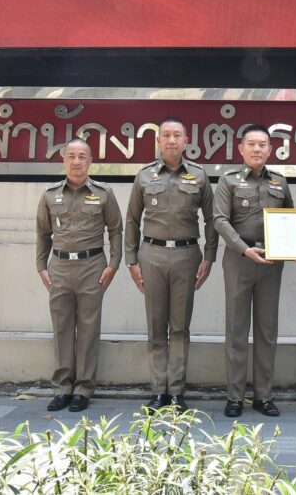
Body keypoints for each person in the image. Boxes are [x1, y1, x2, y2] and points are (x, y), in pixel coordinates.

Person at [125, 117, 218, 412]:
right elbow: (132, 220)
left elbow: (212, 220)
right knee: (156, 326)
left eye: (177, 135)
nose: (171, 140)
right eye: (166, 135)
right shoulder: (144, 176)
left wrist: (209, 257)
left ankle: (176, 391)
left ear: (186, 141)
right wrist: (131, 260)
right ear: (158, 141)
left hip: (186, 255)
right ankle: (158, 391)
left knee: (179, 327)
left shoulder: (199, 176)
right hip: (151, 255)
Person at [36, 138, 123, 412]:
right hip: (60, 267)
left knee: (88, 328)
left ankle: (83, 389)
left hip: (92, 267)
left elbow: (116, 230)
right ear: (64, 160)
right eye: (71, 156)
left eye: (82, 156)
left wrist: (114, 263)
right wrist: (41, 266)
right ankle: (62, 387)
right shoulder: (50, 195)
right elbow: (43, 233)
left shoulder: (104, 193)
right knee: (62, 327)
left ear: (90, 161)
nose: (76, 162)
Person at [213, 124, 294, 418]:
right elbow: (219, 220)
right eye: (252, 144)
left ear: (270, 150)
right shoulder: (228, 181)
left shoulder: (280, 182)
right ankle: (235, 396)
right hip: (240, 259)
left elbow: (290, 218)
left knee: (266, 329)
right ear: (241, 148)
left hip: (271, 262)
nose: (257, 149)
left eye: (262, 145)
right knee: (236, 329)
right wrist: (243, 249)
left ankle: (263, 395)